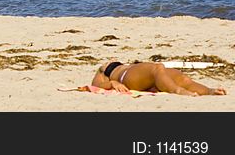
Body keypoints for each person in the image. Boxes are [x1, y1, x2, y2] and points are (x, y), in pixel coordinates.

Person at [92, 60, 226, 96]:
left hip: (136, 74)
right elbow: (96, 85)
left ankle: (209, 91)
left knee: (181, 78)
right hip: (125, 77)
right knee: (158, 68)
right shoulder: (102, 70)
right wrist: (113, 83)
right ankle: (178, 91)